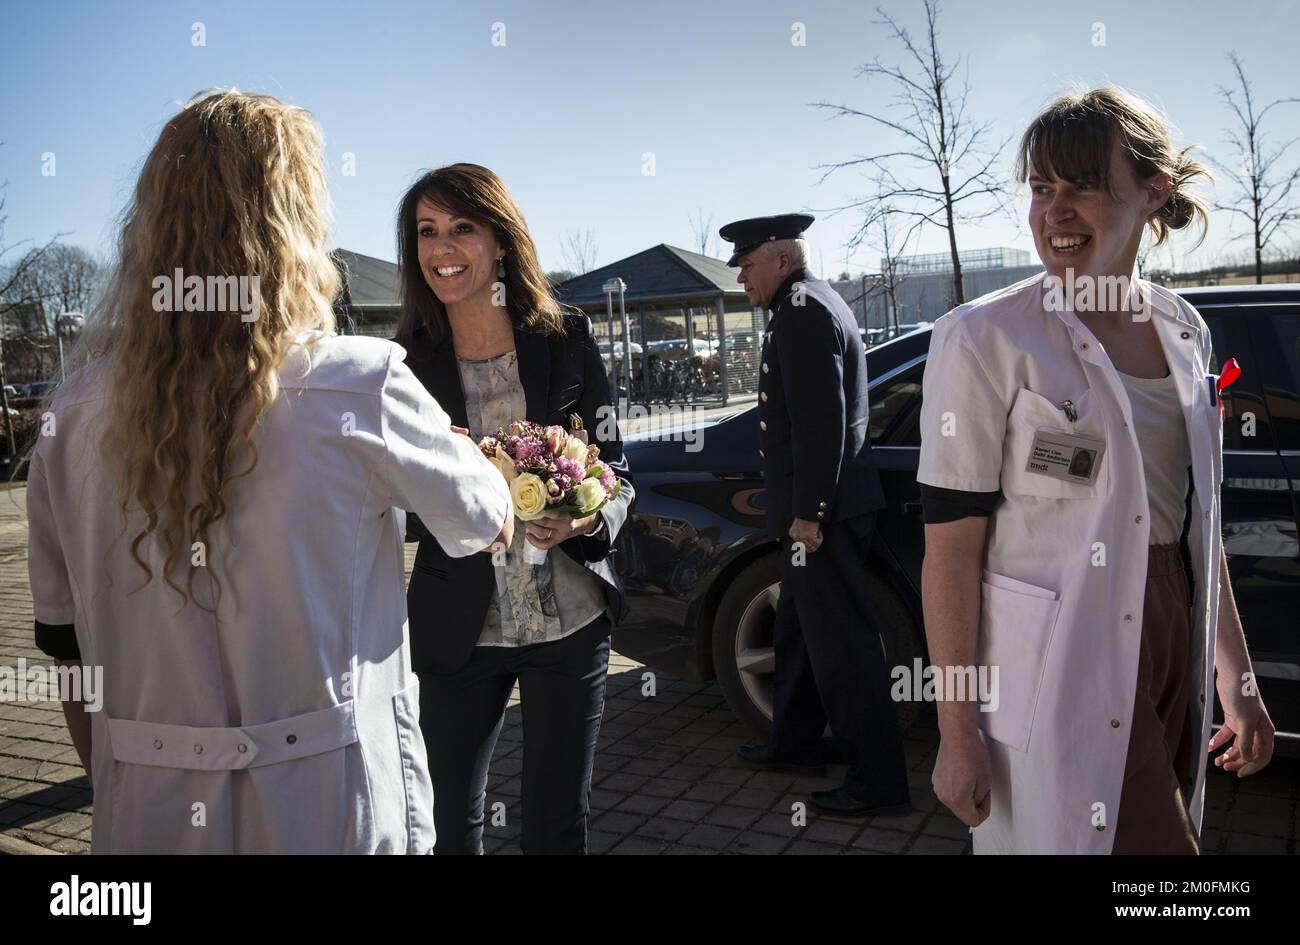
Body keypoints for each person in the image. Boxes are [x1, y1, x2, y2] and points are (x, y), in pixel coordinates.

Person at [25, 91, 513, 853]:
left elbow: (68, 657)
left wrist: (123, 777)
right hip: (332, 806)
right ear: (294, 228)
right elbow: (488, 520)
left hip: (149, 814)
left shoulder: (70, 415)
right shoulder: (361, 385)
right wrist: (463, 452)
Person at [919, 87, 1275, 854]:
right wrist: (955, 731)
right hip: (1061, 653)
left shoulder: (1186, 332)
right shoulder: (984, 340)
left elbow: (1193, 524)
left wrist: (1235, 679)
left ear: (1154, 194)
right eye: (1042, 188)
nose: (1055, 210)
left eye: (1081, 184)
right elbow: (950, 551)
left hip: (1170, 627)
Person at [395, 163, 635, 854]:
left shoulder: (567, 339)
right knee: (444, 828)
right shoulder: (404, 364)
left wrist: (587, 517)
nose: (443, 248)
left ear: (499, 239)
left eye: (463, 228)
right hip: (458, 629)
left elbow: (618, 470)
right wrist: (440, 479)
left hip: (570, 625)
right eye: (427, 231)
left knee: (556, 828)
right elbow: (394, 507)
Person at [722, 213, 911, 816]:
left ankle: (877, 781)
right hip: (821, 512)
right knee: (797, 630)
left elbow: (822, 423)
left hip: (822, 516)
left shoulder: (801, 311)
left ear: (781, 259)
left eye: (749, 266)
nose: (743, 279)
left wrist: (810, 513)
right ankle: (798, 742)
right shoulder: (808, 303)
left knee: (843, 647)